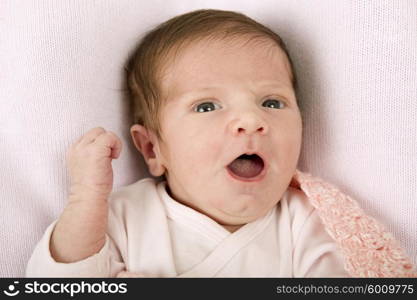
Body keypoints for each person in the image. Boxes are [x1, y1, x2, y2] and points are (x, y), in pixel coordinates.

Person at [26, 9, 415, 278]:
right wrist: (86, 198)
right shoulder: (123, 215)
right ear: (152, 149)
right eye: (207, 105)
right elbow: (60, 284)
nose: (252, 120)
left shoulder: (306, 221)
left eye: (272, 102)